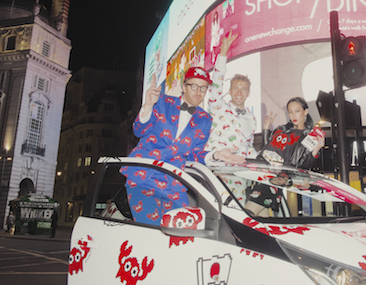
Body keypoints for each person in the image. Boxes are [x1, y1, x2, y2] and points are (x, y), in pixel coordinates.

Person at [122, 67, 213, 225]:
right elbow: (138, 130)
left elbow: (194, 154)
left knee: (183, 232)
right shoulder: (162, 101)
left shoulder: (205, 119)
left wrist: (215, 156)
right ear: (183, 87)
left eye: (203, 87)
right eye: (194, 86)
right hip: (143, 177)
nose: (199, 91)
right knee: (151, 230)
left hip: (174, 184)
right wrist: (148, 106)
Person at [205, 31, 254, 163]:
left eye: (243, 89)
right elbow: (216, 83)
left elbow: (248, 147)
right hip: (217, 171)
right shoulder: (217, 107)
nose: (239, 92)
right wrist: (223, 54)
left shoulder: (251, 118)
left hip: (240, 175)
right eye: (235, 88)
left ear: (248, 93)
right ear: (230, 91)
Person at [260, 97, 324, 169]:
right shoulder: (280, 130)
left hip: (289, 177)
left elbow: (303, 167)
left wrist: (315, 151)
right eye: (290, 112)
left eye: (297, 111)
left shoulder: (309, 137)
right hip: (270, 174)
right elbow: (266, 152)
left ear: (305, 112)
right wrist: (266, 128)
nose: (293, 115)